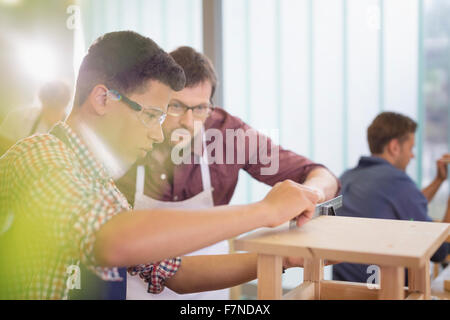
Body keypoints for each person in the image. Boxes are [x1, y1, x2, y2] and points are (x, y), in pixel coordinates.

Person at [0, 31, 320, 300]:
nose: (157, 133)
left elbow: (176, 273)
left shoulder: (101, 188)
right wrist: (263, 211)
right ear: (102, 99)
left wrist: (284, 260)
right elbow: (112, 242)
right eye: (152, 115)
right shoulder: (40, 155)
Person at [115, 46, 340, 300]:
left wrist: (310, 193)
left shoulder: (229, 135)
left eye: (200, 109)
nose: (188, 122)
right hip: (135, 285)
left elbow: (319, 174)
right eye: (175, 106)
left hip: (210, 287)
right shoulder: (129, 136)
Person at [332, 111, 450, 284]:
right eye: (411, 148)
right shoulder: (398, 182)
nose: (412, 156)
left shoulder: (346, 178)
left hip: (340, 288)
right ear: (394, 147)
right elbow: (440, 251)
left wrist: (439, 180)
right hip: (385, 292)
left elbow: (406, 204)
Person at [0, 80, 71, 155]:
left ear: (66, 103)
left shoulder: (72, 129)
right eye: (50, 107)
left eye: (57, 108)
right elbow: (3, 145)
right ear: (42, 100)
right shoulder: (17, 117)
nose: (52, 114)